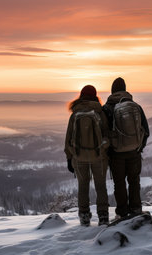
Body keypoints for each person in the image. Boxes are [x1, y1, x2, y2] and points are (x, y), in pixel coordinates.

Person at [102, 77, 150, 220]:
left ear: (112, 90)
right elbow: (145, 130)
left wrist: (109, 152)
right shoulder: (135, 106)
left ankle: (122, 212)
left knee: (119, 183)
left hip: (116, 154)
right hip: (134, 152)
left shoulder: (107, 108)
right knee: (134, 181)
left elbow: (103, 133)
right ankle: (136, 208)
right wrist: (139, 148)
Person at [64, 85, 110, 226]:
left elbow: (68, 138)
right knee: (100, 186)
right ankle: (103, 216)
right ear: (95, 95)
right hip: (98, 157)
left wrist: (69, 158)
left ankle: (84, 216)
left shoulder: (75, 113)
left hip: (79, 157)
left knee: (82, 186)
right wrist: (103, 150)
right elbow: (107, 135)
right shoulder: (99, 111)